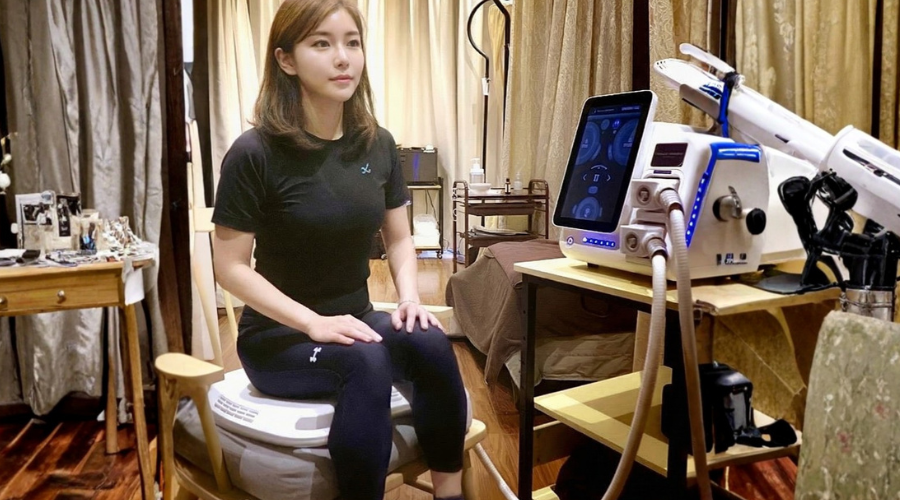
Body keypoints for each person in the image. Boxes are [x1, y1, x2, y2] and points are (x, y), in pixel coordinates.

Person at [211, 1, 468, 499]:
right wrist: (312, 322)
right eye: (321, 44)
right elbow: (230, 267)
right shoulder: (254, 153)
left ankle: (450, 492)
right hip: (278, 337)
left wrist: (410, 298)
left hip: (353, 318)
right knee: (365, 361)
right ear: (286, 59)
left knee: (432, 342)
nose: (343, 57)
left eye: (352, 42)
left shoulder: (378, 144)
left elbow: (399, 236)